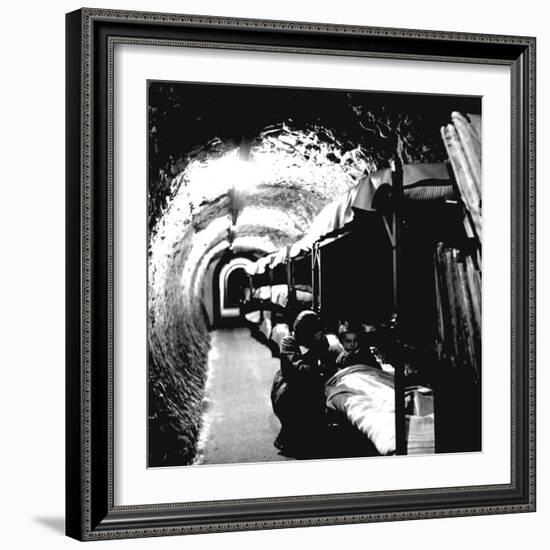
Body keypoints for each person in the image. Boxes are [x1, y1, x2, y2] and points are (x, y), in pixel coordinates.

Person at [270, 310, 333, 457]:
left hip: (311, 382)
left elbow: (327, 362)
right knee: (296, 401)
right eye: (316, 332)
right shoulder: (289, 342)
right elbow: (296, 370)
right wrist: (319, 369)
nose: (320, 334)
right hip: (289, 386)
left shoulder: (320, 340)